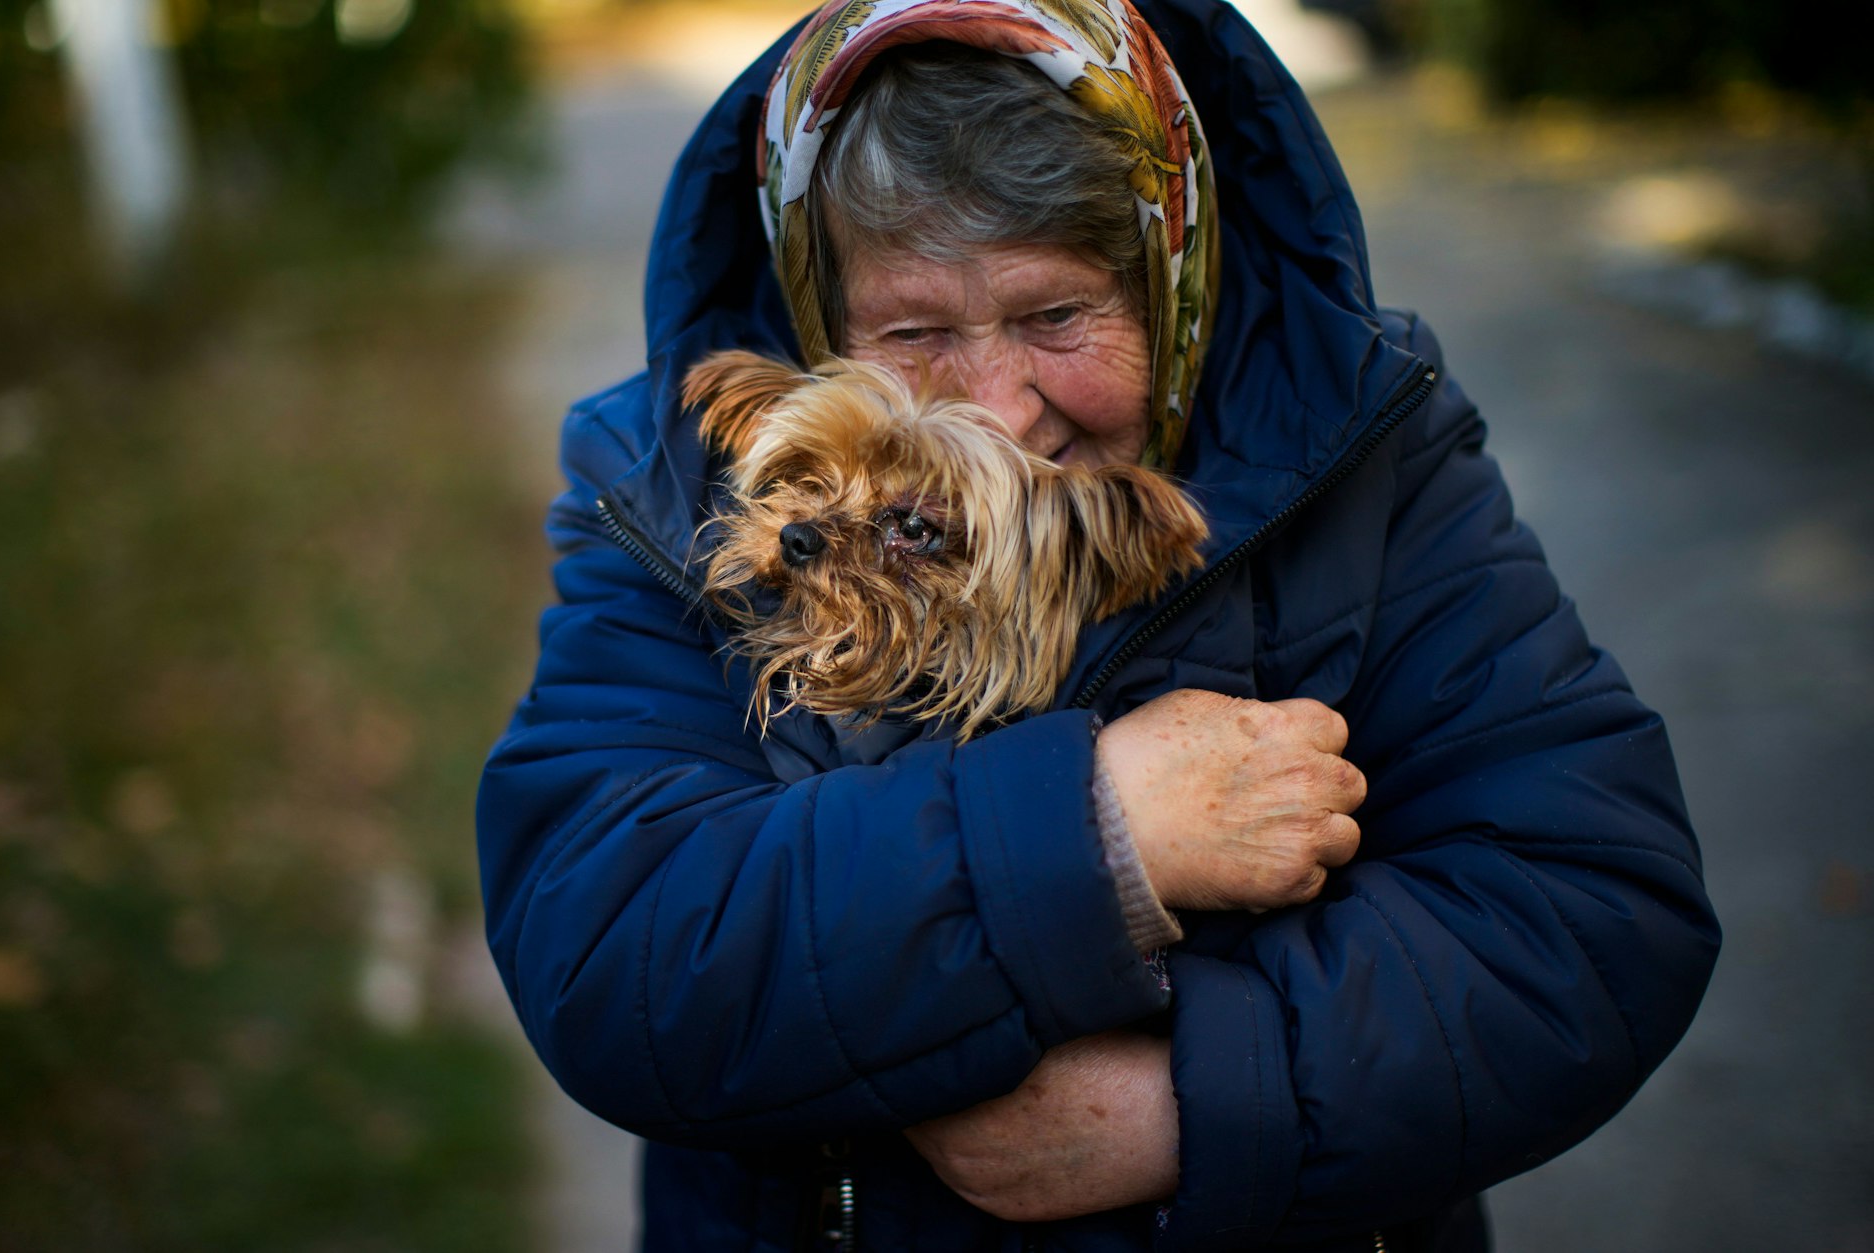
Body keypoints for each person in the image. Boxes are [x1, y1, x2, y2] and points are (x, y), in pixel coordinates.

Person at [475, 1, 1722, 1249]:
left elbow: (1588, 917)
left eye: (1056, 317)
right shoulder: (667, 487)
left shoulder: (1368, 451)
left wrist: (1196, 1105)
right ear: (821, 311)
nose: (999, 412)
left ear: (1171, 280)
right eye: (913, 332)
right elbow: (614, 952)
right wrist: (1100, 830)